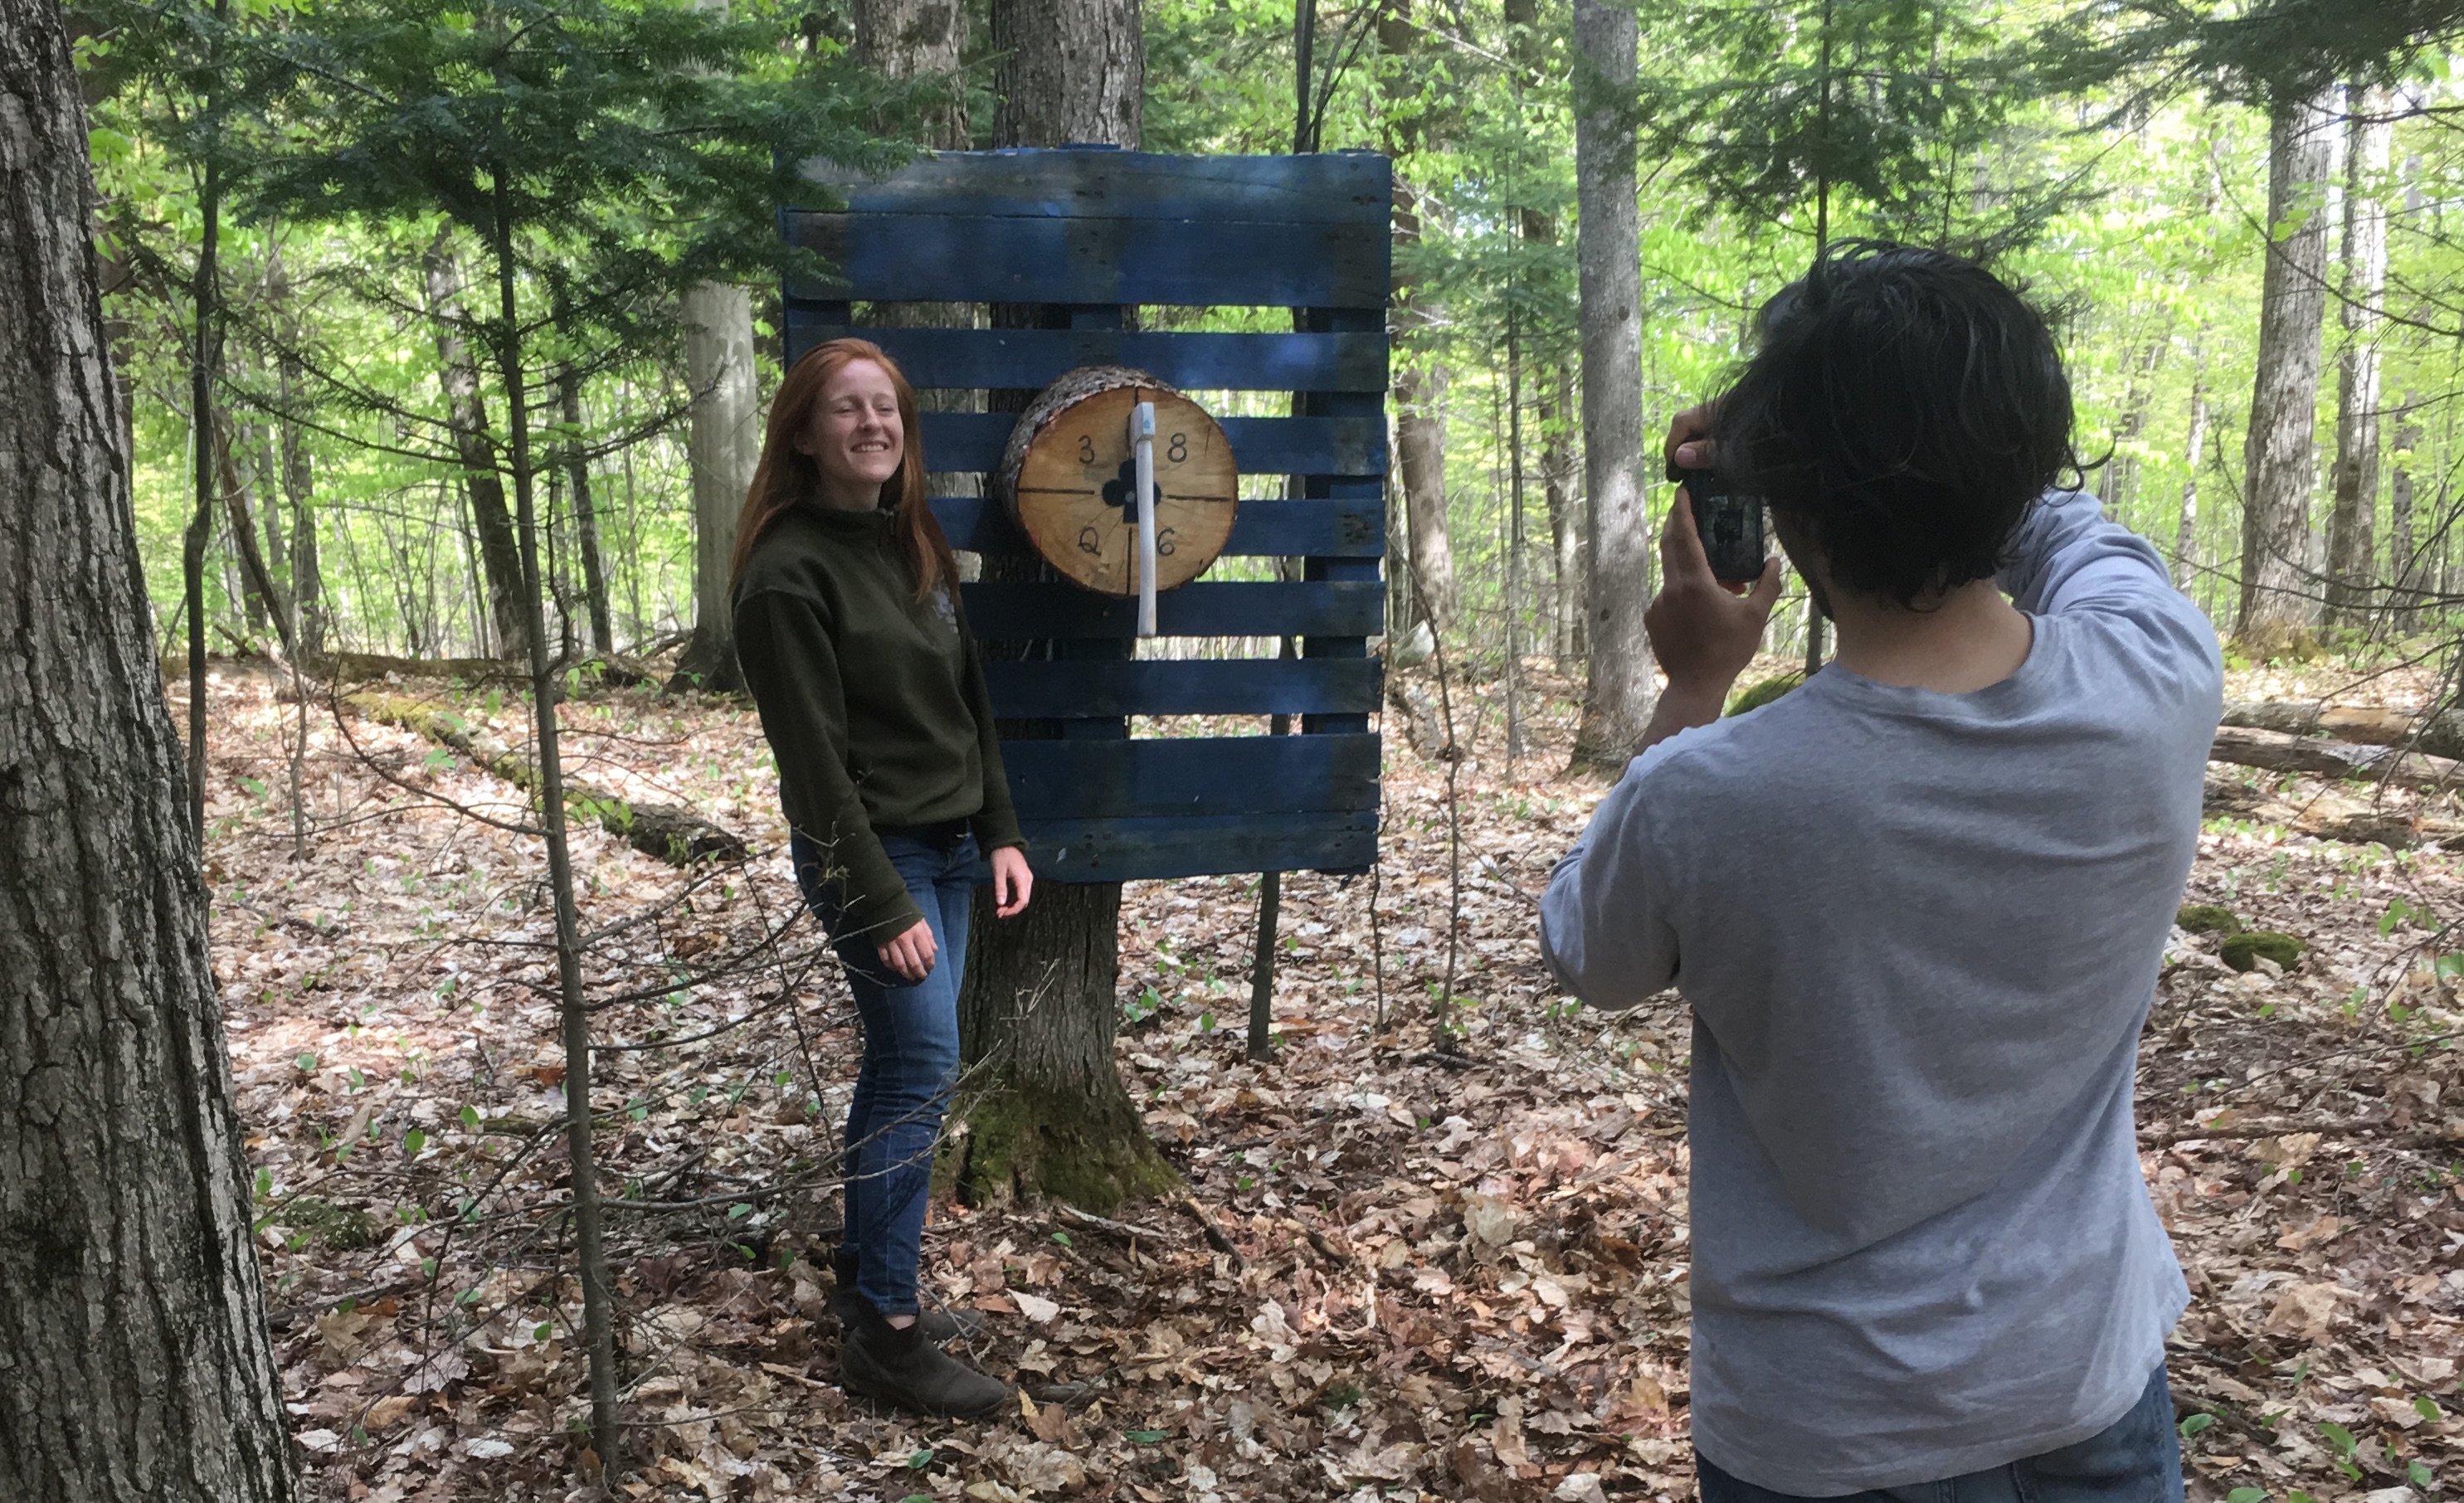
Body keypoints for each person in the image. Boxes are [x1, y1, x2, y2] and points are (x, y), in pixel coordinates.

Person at [1539, 241, 2220, 1500]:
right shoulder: (2156, 675)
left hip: (1830, 1423)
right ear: (2025, 458)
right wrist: (1899, 430)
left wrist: (1692, 681)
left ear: (1784, 511)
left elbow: (1587, 953)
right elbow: (2066, 527)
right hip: (2086, 1375)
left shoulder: (1710, 792)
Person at [732, 338, 1033, 1418]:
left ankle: (870, 1290)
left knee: (902, 1071)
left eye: (886, 408)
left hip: (953, 846)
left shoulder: (911, 543)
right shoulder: (785, 574)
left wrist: (998, 827)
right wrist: (881, 898)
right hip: (877, 859)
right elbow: (812, 771)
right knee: (919, 1073)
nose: (872, 424)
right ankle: (890, 1341)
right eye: (846, 409)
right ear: (804, 434)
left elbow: (970, 699)